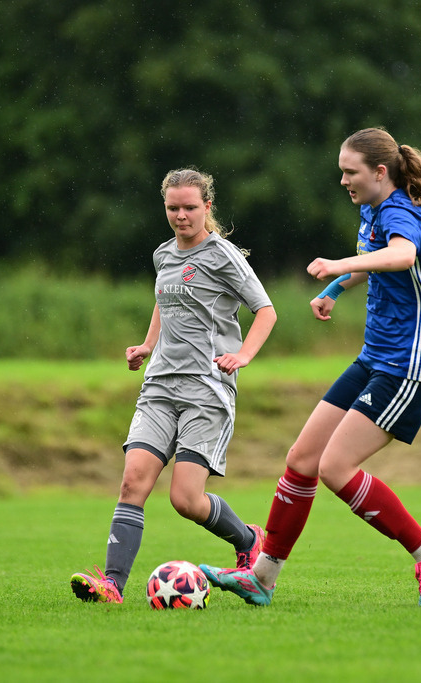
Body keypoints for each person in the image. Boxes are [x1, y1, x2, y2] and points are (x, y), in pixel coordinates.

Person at [200, 128, 421, 607]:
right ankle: (262, 577)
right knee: (301, 460)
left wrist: (336, 265)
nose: (342, 180)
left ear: (381, 172)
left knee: (335, 467)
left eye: (350, 172)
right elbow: (372, 262)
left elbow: (402, 256)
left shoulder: (400, 209)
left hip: (412, 361)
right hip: (378, 353)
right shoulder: (373, 209)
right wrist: (337, 290)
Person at [71, 168, 277, 604]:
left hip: (207, 389)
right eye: (173, 208)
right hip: (160, 386)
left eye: (189, 207)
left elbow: (266, 311)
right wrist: (148, 345)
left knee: (185, 499)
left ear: (206, 207)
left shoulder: (223, 255)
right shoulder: (163, 254)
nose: (181, 215)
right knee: (133, 483)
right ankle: (112, 585)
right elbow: (165, 302)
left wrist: (243, 356)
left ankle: (247, 540)